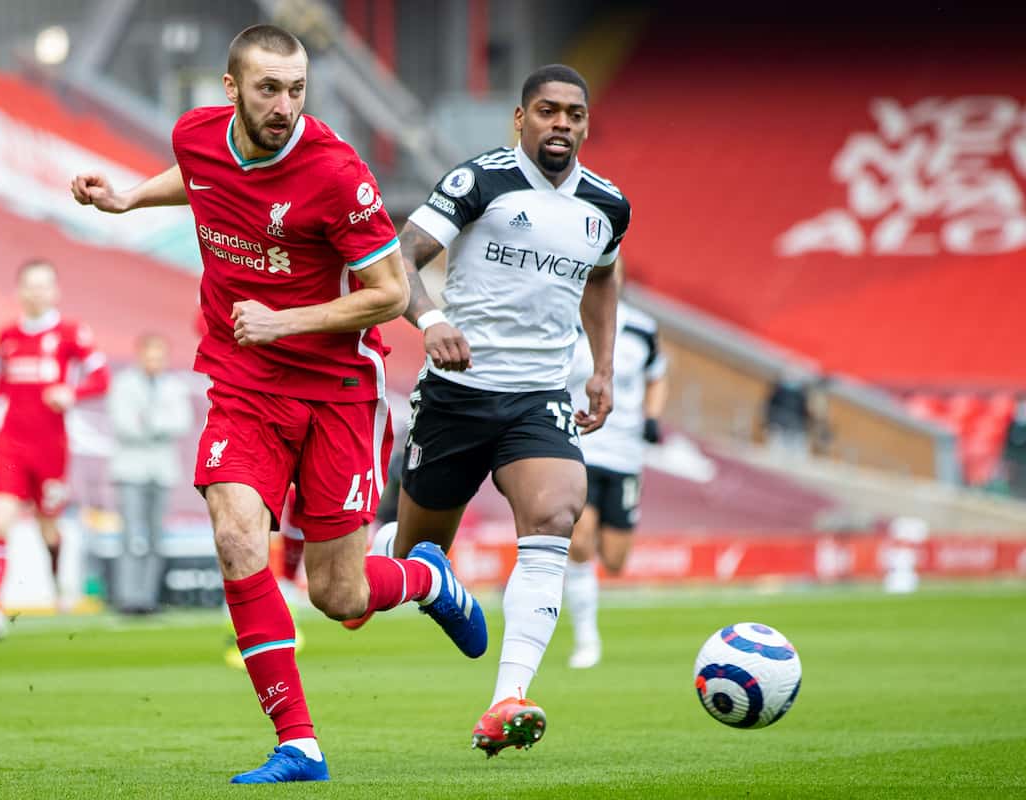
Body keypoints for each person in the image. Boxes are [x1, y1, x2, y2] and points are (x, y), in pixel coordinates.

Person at [70, 24, 487, 784]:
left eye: (297, 90)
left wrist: (281, 320)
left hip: (336, 393)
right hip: (243, 383)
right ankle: (300, 744)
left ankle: (426, 579)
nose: (285, 105)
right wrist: (129, 197)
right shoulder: (196, 136)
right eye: (269, 89)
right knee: (236, 539)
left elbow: (391, 292)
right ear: (230, 90)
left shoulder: (336, 173)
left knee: (340, 594)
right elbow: (196, 175)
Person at [362, 63, 630, 756]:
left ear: (586, 124)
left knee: (556, 515)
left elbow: (603, 275)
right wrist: (430, 323)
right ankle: (429, 583)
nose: (561, 124)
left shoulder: (607, 204)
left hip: (539, 399)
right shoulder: (478, 180)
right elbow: (399, 258)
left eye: (574, 113)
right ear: (521, 119)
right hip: (455, 394)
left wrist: (601, 368)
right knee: (405, 558)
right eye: (547, 111)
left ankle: (507, 697)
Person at [0, 259, 110, 639]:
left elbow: (101, 378)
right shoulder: (7, 335)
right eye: (30, 286)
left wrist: (73, 393)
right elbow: (4, 379)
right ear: (19, 291)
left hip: (51, 447)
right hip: (10, 442)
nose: (36, 292)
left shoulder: (71, 333)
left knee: (48, 527)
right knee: (0, 518)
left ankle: (56, 578)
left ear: (55, 291)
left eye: (44, 285)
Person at [563, 296, 668, 669]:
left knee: (615, 558)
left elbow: (657, 376)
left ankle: (553, 573)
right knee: (580, 543)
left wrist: (652, 417)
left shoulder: (643, 326)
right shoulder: (570, 317)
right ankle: (586, 639)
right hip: (582, 447)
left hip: (625, 455)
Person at [107, 333, 194, 614]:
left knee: (157, 537)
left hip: (162, 470)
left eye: (159, 356)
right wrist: (160, 424)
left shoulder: (173, 386)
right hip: (131, 470)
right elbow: (124, 426)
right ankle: (128, 597)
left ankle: (148, 597)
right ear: (140, 355)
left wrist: (149, 421)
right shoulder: (124, 383)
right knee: (131, 536)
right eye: (150, 355)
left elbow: (183, 423)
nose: (154, 361)